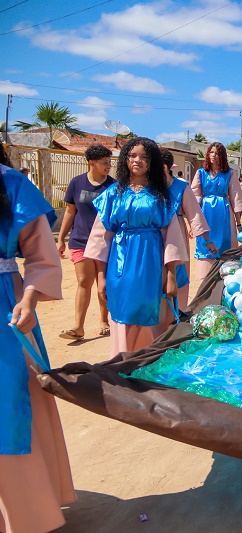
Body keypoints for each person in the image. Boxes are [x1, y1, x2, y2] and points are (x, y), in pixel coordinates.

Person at [0, 143, 76, 532]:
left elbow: (42, 256)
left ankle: (28, 512)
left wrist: (30, 298)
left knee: (10, 400)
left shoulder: (9, 183)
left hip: (5, 306)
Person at [84, 137, 188, 355]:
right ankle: (122, 367)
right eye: (132, 156)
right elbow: (100, 239)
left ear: (152, 162)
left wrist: (170, 276)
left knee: (152, 316)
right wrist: (101, 277)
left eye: (144, 156)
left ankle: (148, 367)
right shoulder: (112, 194)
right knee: (122, 315)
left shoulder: (162, 196)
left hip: (151, 264)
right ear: (125, 160)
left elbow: (172, 238)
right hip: (119, 265)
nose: (137, 160)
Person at [56, 144, 115, 340]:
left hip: (105, 242)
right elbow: (70, 212)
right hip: (79, 240)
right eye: (105, 163)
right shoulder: (76, 183)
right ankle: (78, 327)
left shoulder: (113, 186)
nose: (109, 166)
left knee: (102, 285)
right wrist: (61, 239)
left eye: (110, 162)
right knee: (83, 281)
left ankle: (104, 320)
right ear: (91, 163)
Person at [160, 147, 216, 321]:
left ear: (163, 167)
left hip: (176, 239)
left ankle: (178, 316)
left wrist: (207, 240)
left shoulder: (181, 187)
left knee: (178, 275)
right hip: (153, 238)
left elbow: (195, 215)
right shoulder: (148, 187)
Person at [192, 142, 242, 280]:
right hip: (206, 212)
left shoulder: (229, 173)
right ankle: (206, 278)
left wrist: (238, 224)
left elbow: (236, 198)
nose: (213, 155)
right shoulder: (201, 173)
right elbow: (194, 196)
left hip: (223, 212)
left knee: (225, 244)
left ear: (222, 156)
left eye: (216, 153)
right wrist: (195, 223)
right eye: (211, 152)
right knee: (205, 244)